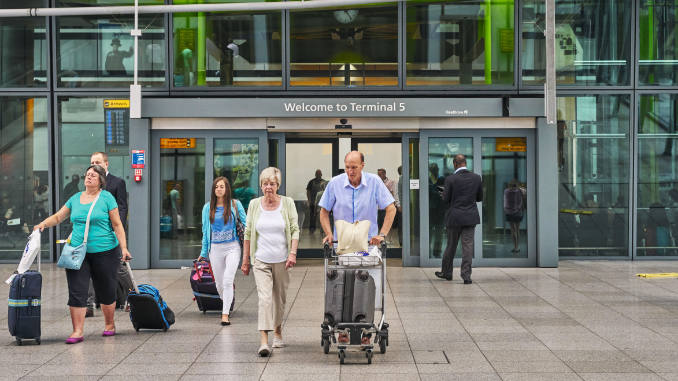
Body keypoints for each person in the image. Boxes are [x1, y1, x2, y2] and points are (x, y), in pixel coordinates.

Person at [35, 164, 131, 344]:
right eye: (87, 175)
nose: (89, 178)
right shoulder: (75, 198)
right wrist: (43, 224)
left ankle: (109, 324)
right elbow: (58, 217)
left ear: (101, 181)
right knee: (76, 290)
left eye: (93, 176)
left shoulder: (107, 198)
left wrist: (124, 248)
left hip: (105, 251)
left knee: (106, 289)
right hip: (77, 252)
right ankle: (77, 331)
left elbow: (117, 225)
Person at [318, 151, 396, 323]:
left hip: (368, 246)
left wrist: (382, 234)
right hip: (343, 245)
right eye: (347, 167)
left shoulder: (374, 182)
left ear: (362, 165)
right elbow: (324, 212)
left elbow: (391, 208)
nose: (350, 171)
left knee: (366, 286)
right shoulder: (335, 183)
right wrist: (329, 234)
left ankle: (365, 327)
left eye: (354, 167)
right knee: (342, 287)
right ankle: (344, 329)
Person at [241, 167, 299, 357]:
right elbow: (248, 233)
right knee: (264, 299)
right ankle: (264, 342)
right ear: (261, 185)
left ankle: (278, 330)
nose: (268, 187)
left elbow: (294, 229)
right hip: (261, 260)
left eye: (272, 184)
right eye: (265, 184)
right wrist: (245, 260)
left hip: (282, 259)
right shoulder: (254, 205)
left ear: (278, 185)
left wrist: (292, 253)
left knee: (279, 300)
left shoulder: (288, 203)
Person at [198, 177, 246, 326]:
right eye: (216, 187)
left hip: (233, 247)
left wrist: (249, 250)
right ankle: (228, 299)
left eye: (222, 187)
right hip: (215, 249)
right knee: (219, 284)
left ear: (227, 189)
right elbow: (205, 232)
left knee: (227, 280)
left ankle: (225, 314)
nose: (219, 189)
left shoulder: (235, 205)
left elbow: (246, 224)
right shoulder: (207, 208)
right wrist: (203, 252)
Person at [86, 152, 129, 317]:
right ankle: (89, 303)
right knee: (88, 268)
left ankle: (132, 296)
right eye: (92, 162)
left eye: (97, 162)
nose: (94, 165)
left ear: (106, 164)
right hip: (92, 235)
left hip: (111, 233)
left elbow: (122, 207)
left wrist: (118, 229)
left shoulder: (117, 182)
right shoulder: (89, 183)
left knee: (118, 268)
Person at [435, 154, 482, 284]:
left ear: (455, 164)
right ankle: (466, 276)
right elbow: (479, 198)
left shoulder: (450, 179)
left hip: (454, 217)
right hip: (470, 217)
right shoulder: (477, 178)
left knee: (451, 245)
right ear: (465, 163)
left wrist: (443, 194)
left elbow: (446, 199)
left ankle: (447, 273)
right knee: (468, 247)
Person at [503, 179, 524, 253]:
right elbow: (521, 201)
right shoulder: (519, 191)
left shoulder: (506, 191)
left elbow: (505, 202)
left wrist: (505, 210)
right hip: (518, 212)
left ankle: (515, 247)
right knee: (517, 229)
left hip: (509, 212)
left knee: (513, 230)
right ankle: (516, 247)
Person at [306, 169, 327, 234]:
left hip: (322, 204)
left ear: (321, 174)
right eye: (317, 174)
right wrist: (309, 201)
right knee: (312, 216)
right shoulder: (311, 182)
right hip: (313, 202)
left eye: (319, 174)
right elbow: (308, 191)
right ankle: (312, 229)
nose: (318, 175)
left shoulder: (324, 182)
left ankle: (323, 229)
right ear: (315, 174)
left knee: (323, 217)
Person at [377, 168, 397, 233]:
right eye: (378, 174)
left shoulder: (390, 182)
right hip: (378, 207)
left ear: (384, 174)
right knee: (379, 224)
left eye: (380, 174)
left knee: (387, 224)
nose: (379, 176)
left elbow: (392, 193)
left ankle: (388, 239)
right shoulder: (377, 183)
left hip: (387, 206)